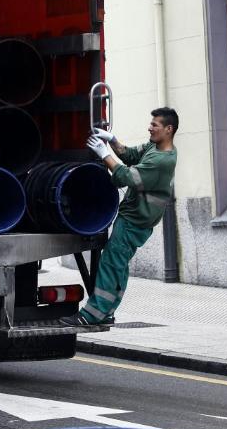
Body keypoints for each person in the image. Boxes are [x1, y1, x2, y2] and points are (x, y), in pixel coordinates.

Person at [60, 107, 178, 326]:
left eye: (155, 125)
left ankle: (91, 315)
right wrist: (112, 140)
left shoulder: (162, 161)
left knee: (111, 264)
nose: (149, 127)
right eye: (150, 123)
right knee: (118, 264)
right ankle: (108, 311)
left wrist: (104, 155)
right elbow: (131, 154)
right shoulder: (156, 147)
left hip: (134, 221)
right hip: (137, 219)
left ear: (168, 129)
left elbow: (125, 177)